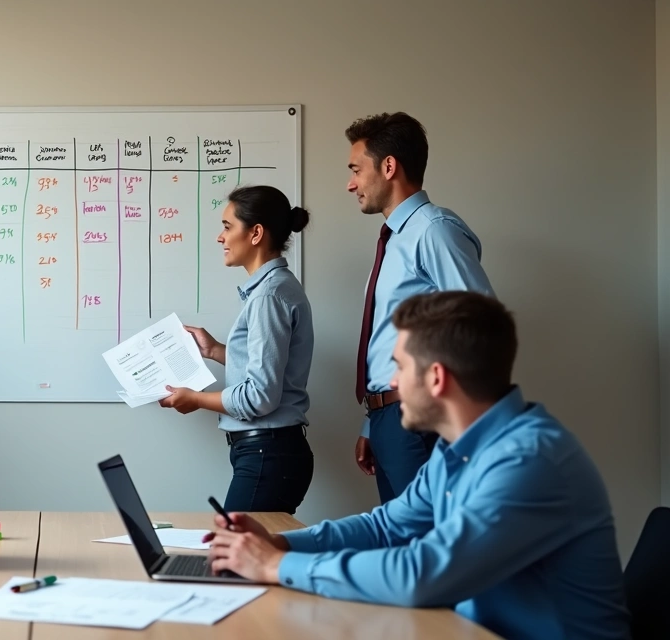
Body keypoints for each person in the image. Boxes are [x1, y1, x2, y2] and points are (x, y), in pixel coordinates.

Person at [204, 291, 630, 640]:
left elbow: (422, 574)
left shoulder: (529, 460)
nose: (391, 383)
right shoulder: (456, 448)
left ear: (437, 378)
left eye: (400, 366)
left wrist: (275, 567)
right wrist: (283, 547)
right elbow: (385, 528)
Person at [346, 112, 495, 503]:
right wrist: (372, 422)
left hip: (418, 419)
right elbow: (388, 343)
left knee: (426, 548)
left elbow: (481, 326)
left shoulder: (434, 231)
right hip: (388, 420)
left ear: (389, 166)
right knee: (401, 546)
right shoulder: (396, 241)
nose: (351, 184)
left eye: (356, 170)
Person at [158, 185, 315, 514]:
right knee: (243, 558)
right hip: (268, 453)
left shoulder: (269, 296)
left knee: (233, 561)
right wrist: (215, 350)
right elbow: (271, 368)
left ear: (255, 233)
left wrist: (197, 399)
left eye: (228, 227)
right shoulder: (274, 289)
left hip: (267, 454)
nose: (220, 237)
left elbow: (259, 395)